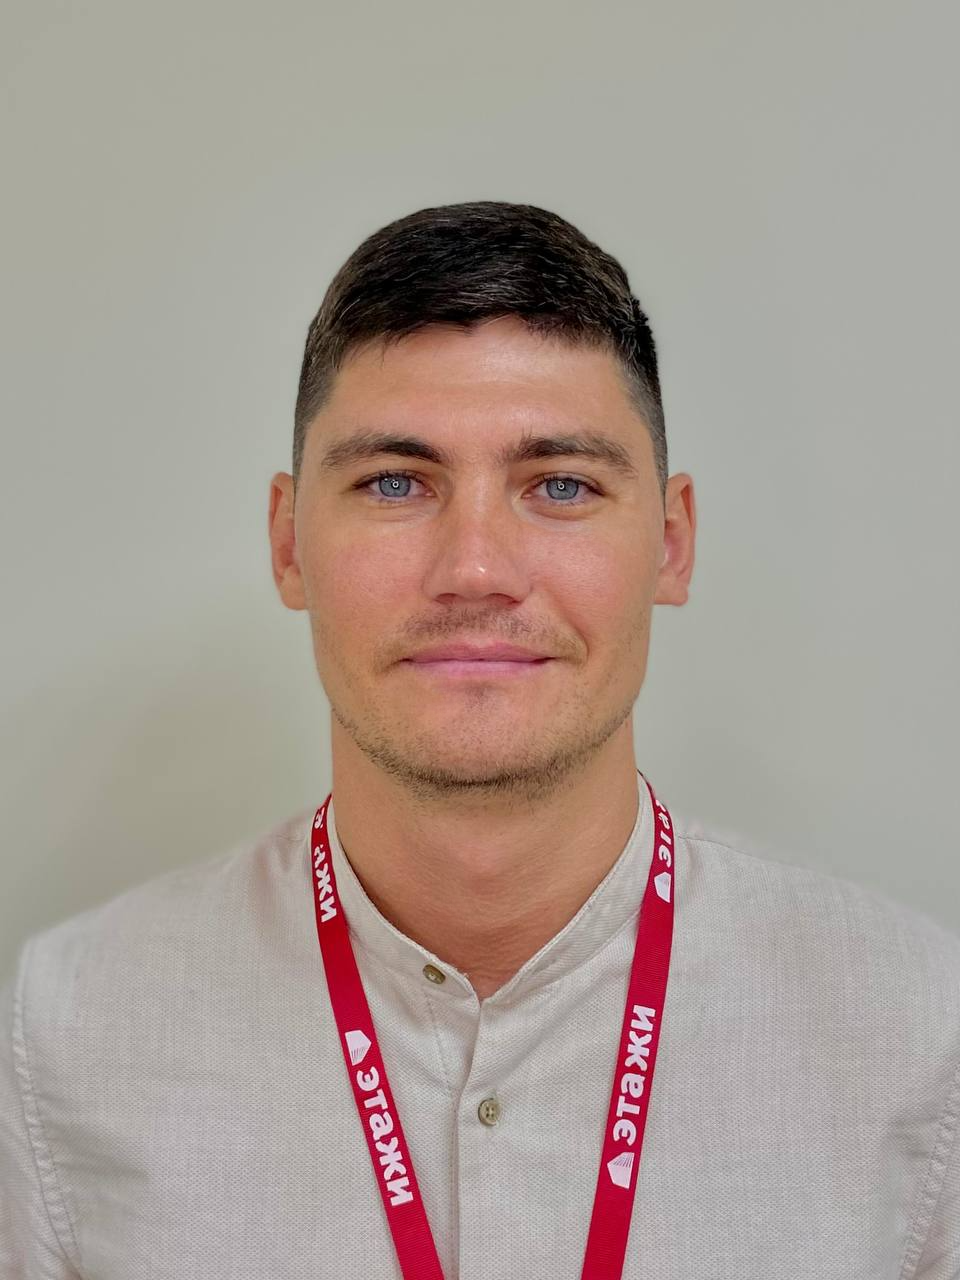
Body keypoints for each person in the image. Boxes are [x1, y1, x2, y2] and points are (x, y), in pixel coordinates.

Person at [1, 201, 957, 1280]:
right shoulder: (65, 1035)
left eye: (561, 485)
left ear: (671, 544)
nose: (476, 569)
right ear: (288, 544)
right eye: (395, 482)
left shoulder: (915, 1032)